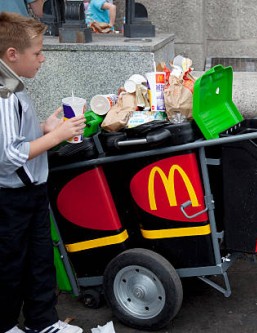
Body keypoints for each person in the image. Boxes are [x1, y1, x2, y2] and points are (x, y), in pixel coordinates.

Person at [0, 12, 86, 333]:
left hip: (30, 191)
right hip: (12, 197)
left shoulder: (12, 83)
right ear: (12, 55)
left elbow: (14, 137)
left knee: (38, 260)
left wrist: (43, 128)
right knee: (11, 265)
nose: (42, 58)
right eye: (36, 53)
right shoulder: (4, 94)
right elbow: (8, 156)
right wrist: (55, 137)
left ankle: (43, 322)